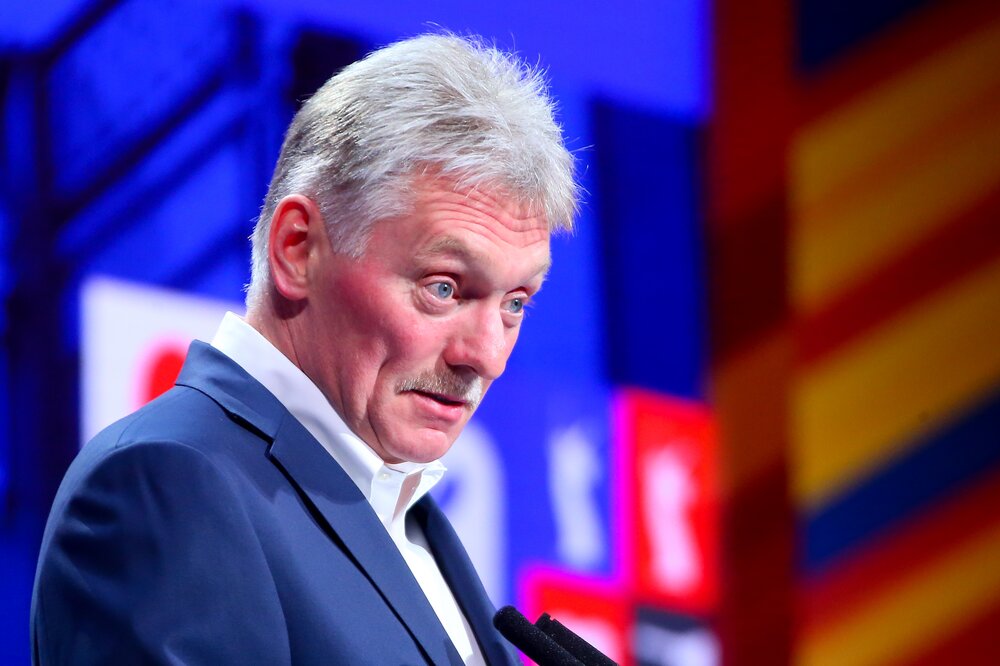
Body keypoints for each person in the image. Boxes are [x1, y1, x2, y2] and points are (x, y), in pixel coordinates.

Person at [31, 33, 578, 665]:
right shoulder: (167, 483)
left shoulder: (406, 516)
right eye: (444, 288)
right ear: (298, 250)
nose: (486, 356)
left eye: (515, 303)